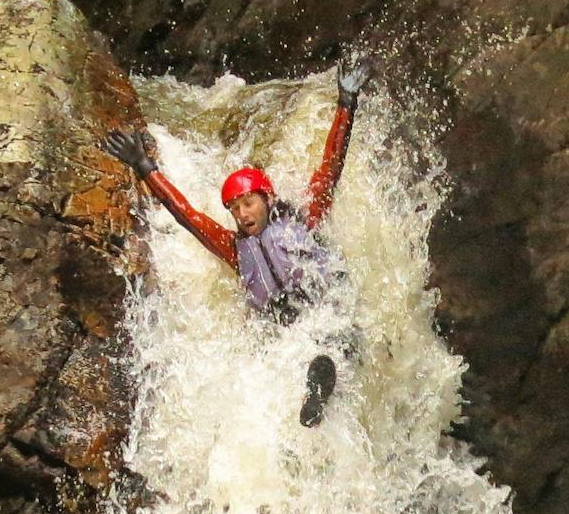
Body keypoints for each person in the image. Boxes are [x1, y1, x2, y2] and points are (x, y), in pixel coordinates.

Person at [101, 60, 373, 426]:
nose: (242, 214)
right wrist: (144, 167)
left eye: (248, 203)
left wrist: (346, 103)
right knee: (291, 364)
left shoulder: (303, 221)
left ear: (267, 199)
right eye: (234, 208)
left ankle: (321, 385)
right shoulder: (234, 248)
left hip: (328, 311)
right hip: (285, 329)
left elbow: (331, 167)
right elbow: (187, 216)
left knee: (329, 351)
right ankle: (307, 405)